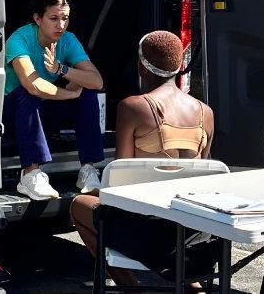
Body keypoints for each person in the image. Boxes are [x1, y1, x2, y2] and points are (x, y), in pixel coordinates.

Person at [69, 31, 217, 287]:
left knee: (78, 205)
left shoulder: (133, 107)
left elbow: (121, 183)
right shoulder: (206, 113)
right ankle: (191, 286)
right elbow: (200, 178)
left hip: (150, 236)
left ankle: (131, 287)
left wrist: (95, 191)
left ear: (141, 67)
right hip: (196, 235)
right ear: (179, 66)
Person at [3, 0, 105, 201]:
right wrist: (69, 94)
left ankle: (88, 170)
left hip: (41, 109)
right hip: (10, 112)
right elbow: (33, 85)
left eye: (65, 18)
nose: (61, 25)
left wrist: (62, 70)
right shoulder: (19, 39)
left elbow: (96, 81)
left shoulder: (67, 40)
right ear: (38, 19)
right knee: (28, 92)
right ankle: (30, 174)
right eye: (53, 18)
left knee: (87, 93)